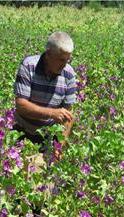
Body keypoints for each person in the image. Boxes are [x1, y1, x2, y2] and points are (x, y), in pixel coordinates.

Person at [13, 31, 77, 159]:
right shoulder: (28, 66)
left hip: (48, 138)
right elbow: (21, 105)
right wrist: (51, 113)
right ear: (48, 54)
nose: (64, 64)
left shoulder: (69, 74)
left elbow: (68, 116)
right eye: (61, 59)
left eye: (67, 60)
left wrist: (60, 144)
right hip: (22, 132)